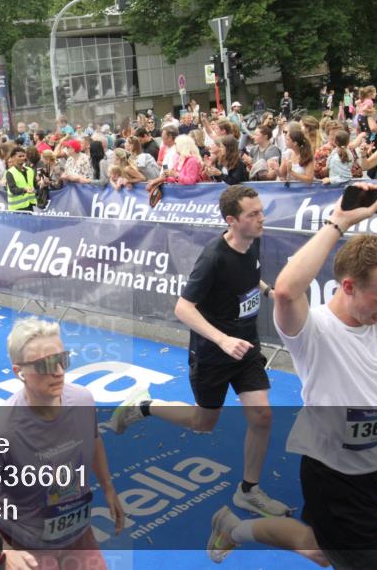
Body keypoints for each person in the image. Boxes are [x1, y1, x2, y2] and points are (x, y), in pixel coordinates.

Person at [206, 179, 377, 570]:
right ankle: (235, 529)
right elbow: (286, 290)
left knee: (317, 547)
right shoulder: (314, 330)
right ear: (349, 286)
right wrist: (339, 220)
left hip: (373, 466)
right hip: (333, 477)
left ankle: (232, 528)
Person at [110, 185, 289, 518]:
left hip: (246, 347)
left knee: (262, 415)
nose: (262, 218)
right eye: (253, 214)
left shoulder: (253, 240)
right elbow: (183, 308)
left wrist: (268, 292)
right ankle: (145, 406)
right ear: (232, 221)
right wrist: (222, 340)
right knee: (203, 422)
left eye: (261, 211)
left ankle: (249, 491)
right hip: (213, 353)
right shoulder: (213, 258)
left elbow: (251, 276)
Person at [0, 317, 125, 570]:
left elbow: (94, 439)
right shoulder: (1, 432)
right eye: (45, 365)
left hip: (78, 534)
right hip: (28, 546)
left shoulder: (83, 401)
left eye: (62, 359)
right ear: (18, 372)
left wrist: (108, 487)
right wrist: (4, 549)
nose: (58, 372)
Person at [4, 146, 36, 212]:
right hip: (17, 208)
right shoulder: (10, 172)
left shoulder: (30, 170)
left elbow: (35, 185)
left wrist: (42, 183)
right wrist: (25, 190)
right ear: (12, 158)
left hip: (31, 205)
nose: (22, 158)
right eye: (19, 156)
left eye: (23, 156)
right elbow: (13, 189)